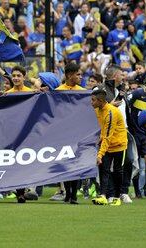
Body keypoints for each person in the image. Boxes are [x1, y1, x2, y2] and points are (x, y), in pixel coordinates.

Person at [52, 63, 86, 203]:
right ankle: (68, 193)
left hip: (78, 133)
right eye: (78, 74)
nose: (80, 77)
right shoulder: (58, 91)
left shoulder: (83, 92)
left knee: (76, 164)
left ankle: (73, 194)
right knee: (65, 164)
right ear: (69, 75)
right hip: (63, 133)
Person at [91, 89, 128, 206]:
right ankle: (103, 196)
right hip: (107, 144)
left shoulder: (111, 113)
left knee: (117, 171)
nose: (91, 103)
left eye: (93, 100)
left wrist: (100, 154)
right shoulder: (98, 110)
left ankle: (117, 197)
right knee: (104, 170)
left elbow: (107, 135)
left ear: (101, 101)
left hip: (118, 145)